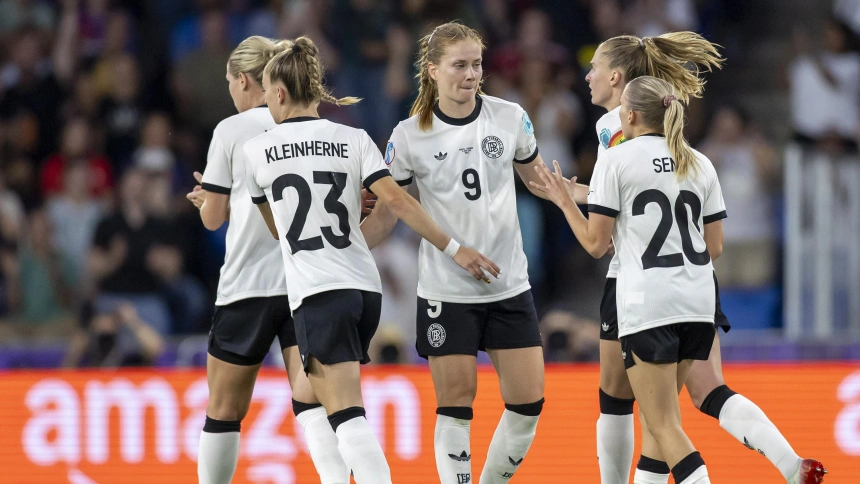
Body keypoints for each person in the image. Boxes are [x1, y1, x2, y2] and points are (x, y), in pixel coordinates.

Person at [244, 35, 497, 484]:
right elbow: (397, 204)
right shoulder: (353, 138)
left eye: (265, 90)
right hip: (364, 289)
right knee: (306, 401)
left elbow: (279, 231)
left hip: (319, 293)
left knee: (347, 416)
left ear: (279, 93)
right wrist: (454, 248)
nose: (263, 99)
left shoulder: (255, 151)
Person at [584, 33, 826, 484]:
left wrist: (567, 198)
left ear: (617, 79)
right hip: (696, 279)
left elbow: (619, 205)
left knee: (623, 401)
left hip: (639, 283)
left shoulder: (613, 125)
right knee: (705, 392)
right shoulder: (676, 131)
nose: (588, 76)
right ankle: (792, 465)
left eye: (594, 67)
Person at [359, 22, 584, 484]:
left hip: (507, 283)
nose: (470, 74)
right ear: (433, 69)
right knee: (456, 406)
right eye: (459, 65)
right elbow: (387, 214)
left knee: (528, 404)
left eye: (477, 64)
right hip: (447, 288)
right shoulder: (408, 135)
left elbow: (540, 181)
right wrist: (342, 247)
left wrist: (600, 195)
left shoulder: (509, 116)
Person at [534, 76, 726, 484]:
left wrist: (565, 201)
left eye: (621, 105)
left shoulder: (615, 161)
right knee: (663, 426)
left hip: (648, 305)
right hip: (699, 303)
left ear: (632, 115)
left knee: (664, 428)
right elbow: (715, 248)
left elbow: (595, 243)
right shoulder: (699, 161)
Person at [186, 36, 348, 484]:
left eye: (229, 83)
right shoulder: (312, 124)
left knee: (223, 409)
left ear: (243, 80)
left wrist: (208, 200)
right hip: (307, 285)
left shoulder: (231, 130)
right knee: (313, 404)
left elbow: (213, 221)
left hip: (248, 286)